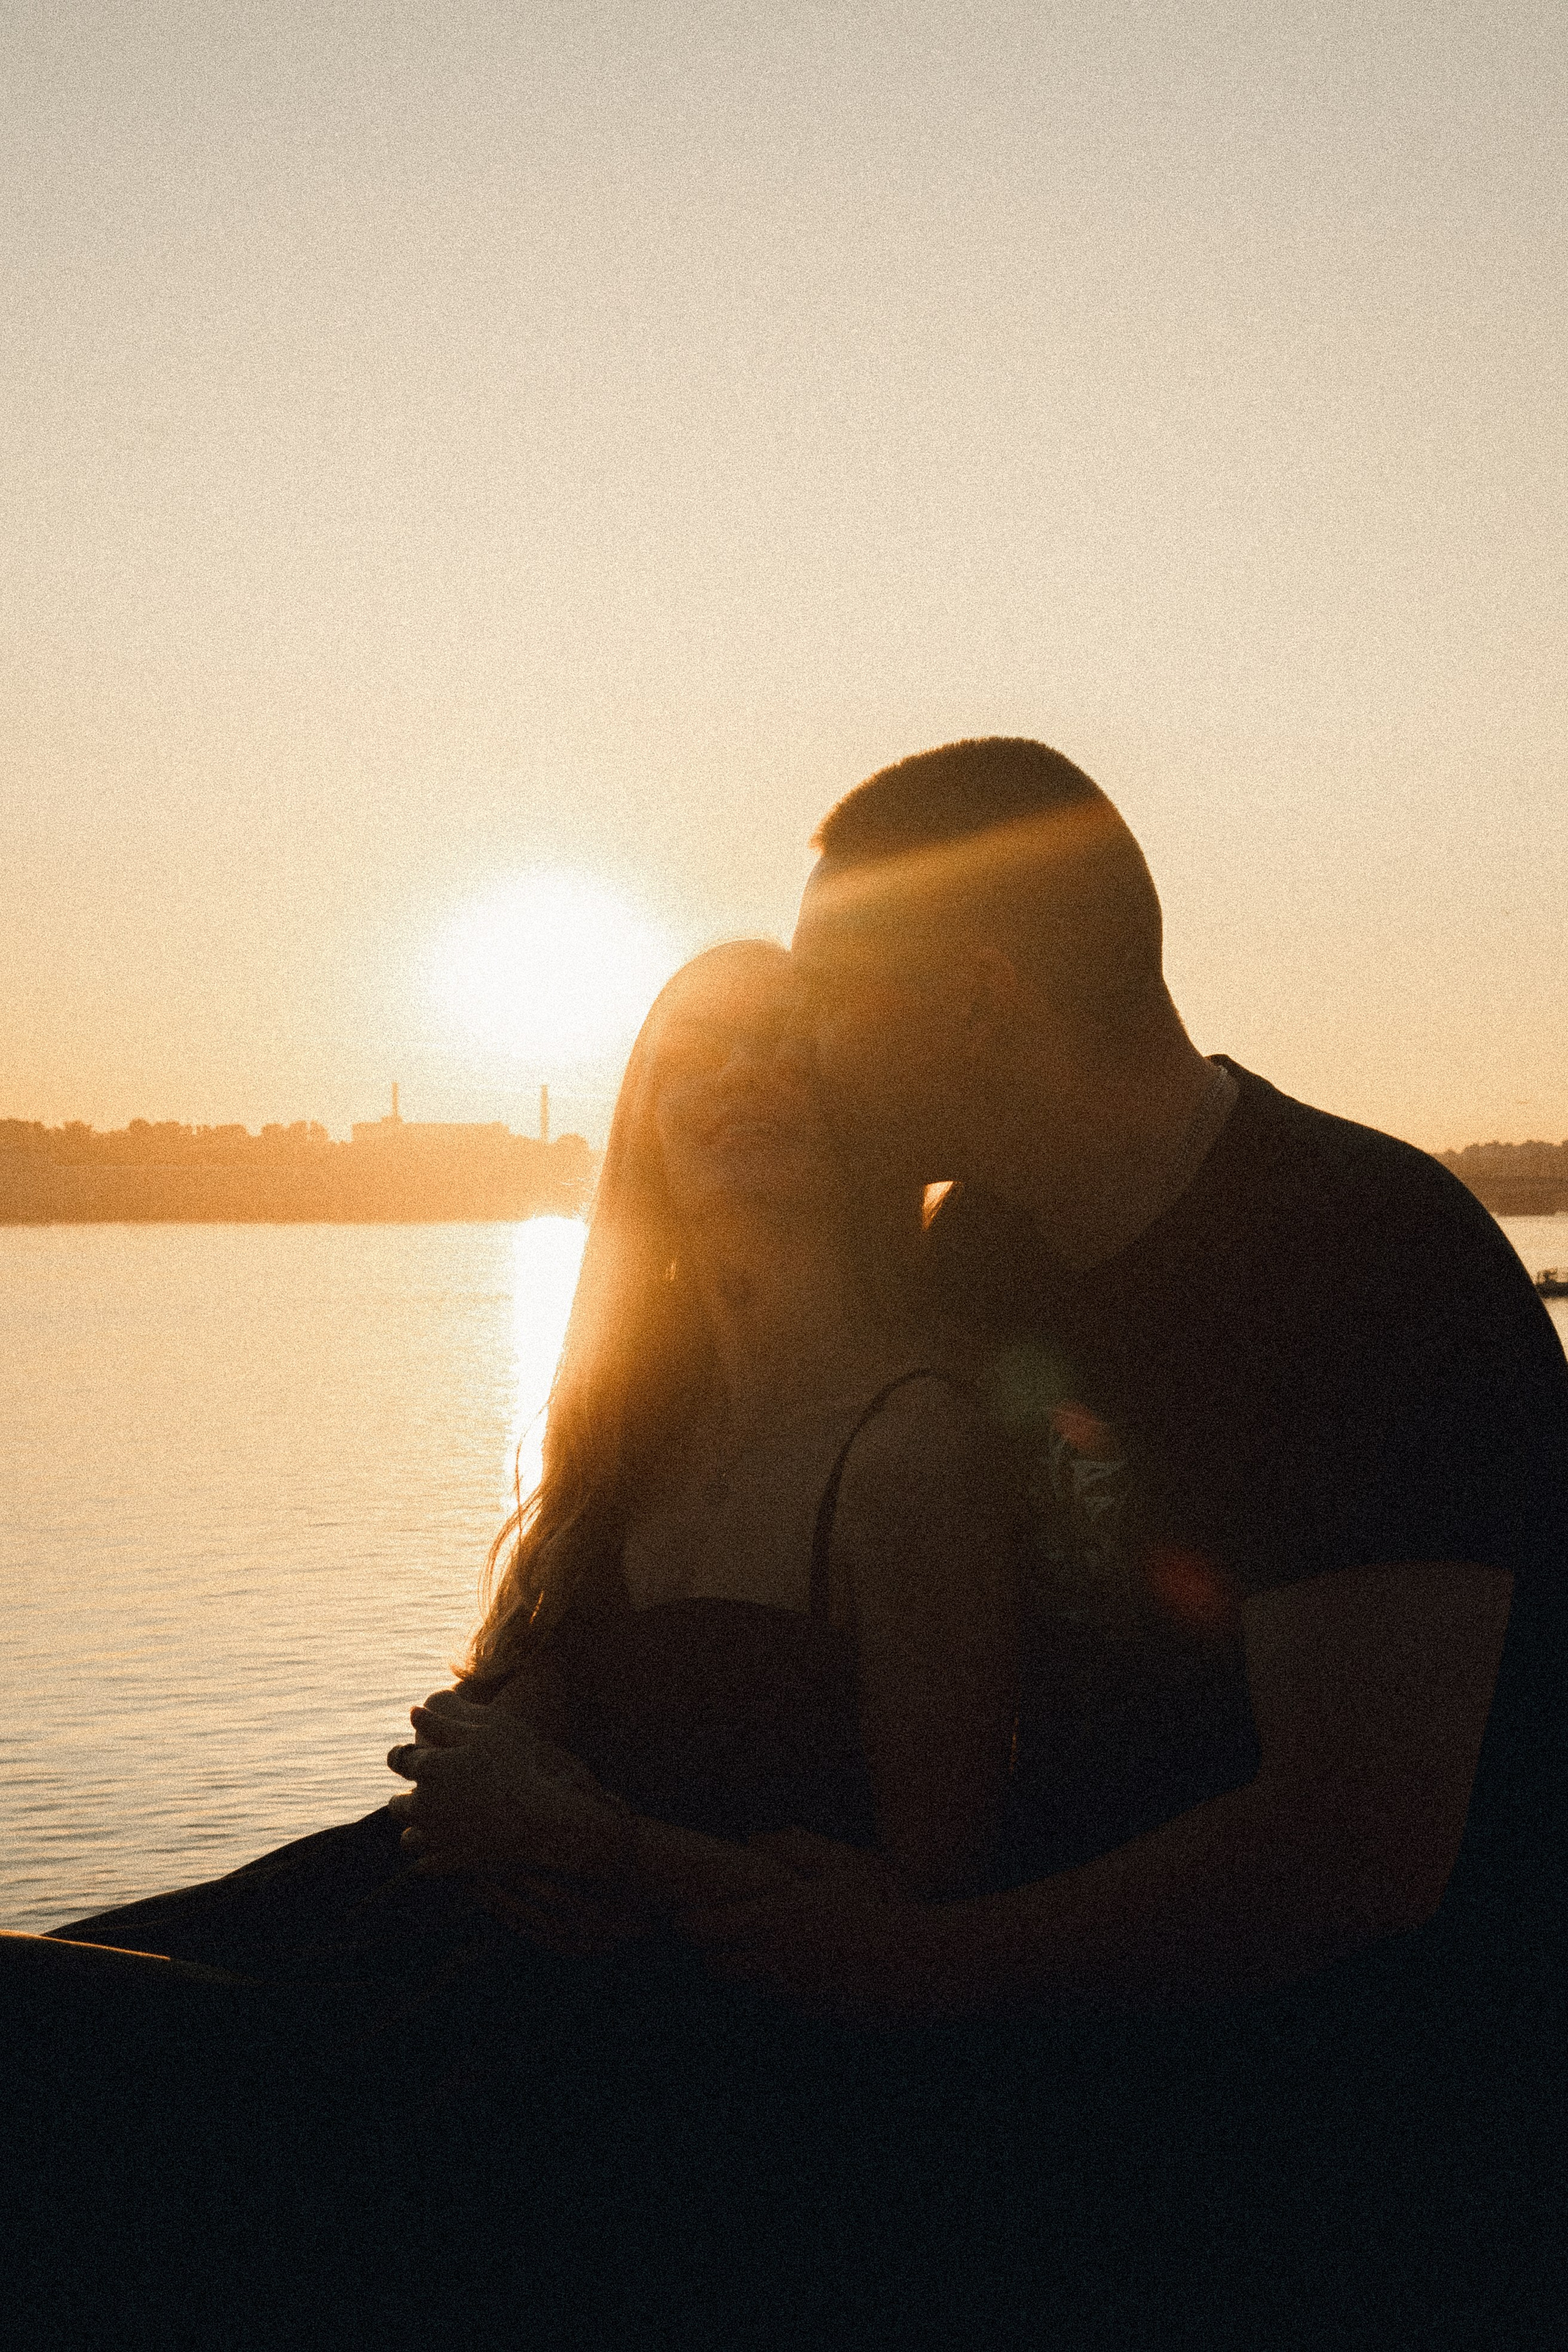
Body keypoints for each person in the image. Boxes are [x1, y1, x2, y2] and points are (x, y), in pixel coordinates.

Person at [6, 938, 1025, 2343]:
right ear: (645, 1133)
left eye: (783, 1045)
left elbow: (929, 1907)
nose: (737, 1078)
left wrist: (596, 1850)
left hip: (623, 2052)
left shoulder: (909, 1451)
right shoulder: (638, 1431)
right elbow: (497, 1719)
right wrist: (497, 1764)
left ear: (858, 1108)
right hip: (418, 1924)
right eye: (692, 1056)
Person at [677, 738, 1567, 2340]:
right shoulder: (989, 1253)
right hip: (1075, 2067)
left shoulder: (1358, 1262)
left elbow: (1349, 1855)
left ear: (978, 993)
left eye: (826, 992)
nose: (797, 1045)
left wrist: (900, 1966)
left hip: (1365, 2159)